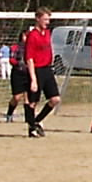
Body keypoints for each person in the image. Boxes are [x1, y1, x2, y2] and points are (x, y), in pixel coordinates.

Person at [23, 9, 61, 137]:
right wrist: (33, 78)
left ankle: (36, 121)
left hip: (47, 69)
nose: (47, 22)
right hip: (37, 70)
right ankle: (31, 128)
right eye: (45, 19)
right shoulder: (32, 35)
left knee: (55, 99)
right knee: (32, 102)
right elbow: (29, 58)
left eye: (48, 19)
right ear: (37, 19)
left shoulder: (47, 33)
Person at [4, 34, 31, 123]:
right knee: (17, 97)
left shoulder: (30, 47)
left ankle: (28, 118)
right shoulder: (15, 47)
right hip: (17, 73)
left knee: (28, 97)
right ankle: (9, 114)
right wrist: (19, 63)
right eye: (25, 36)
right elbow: (11, 59)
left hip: (28, 73)